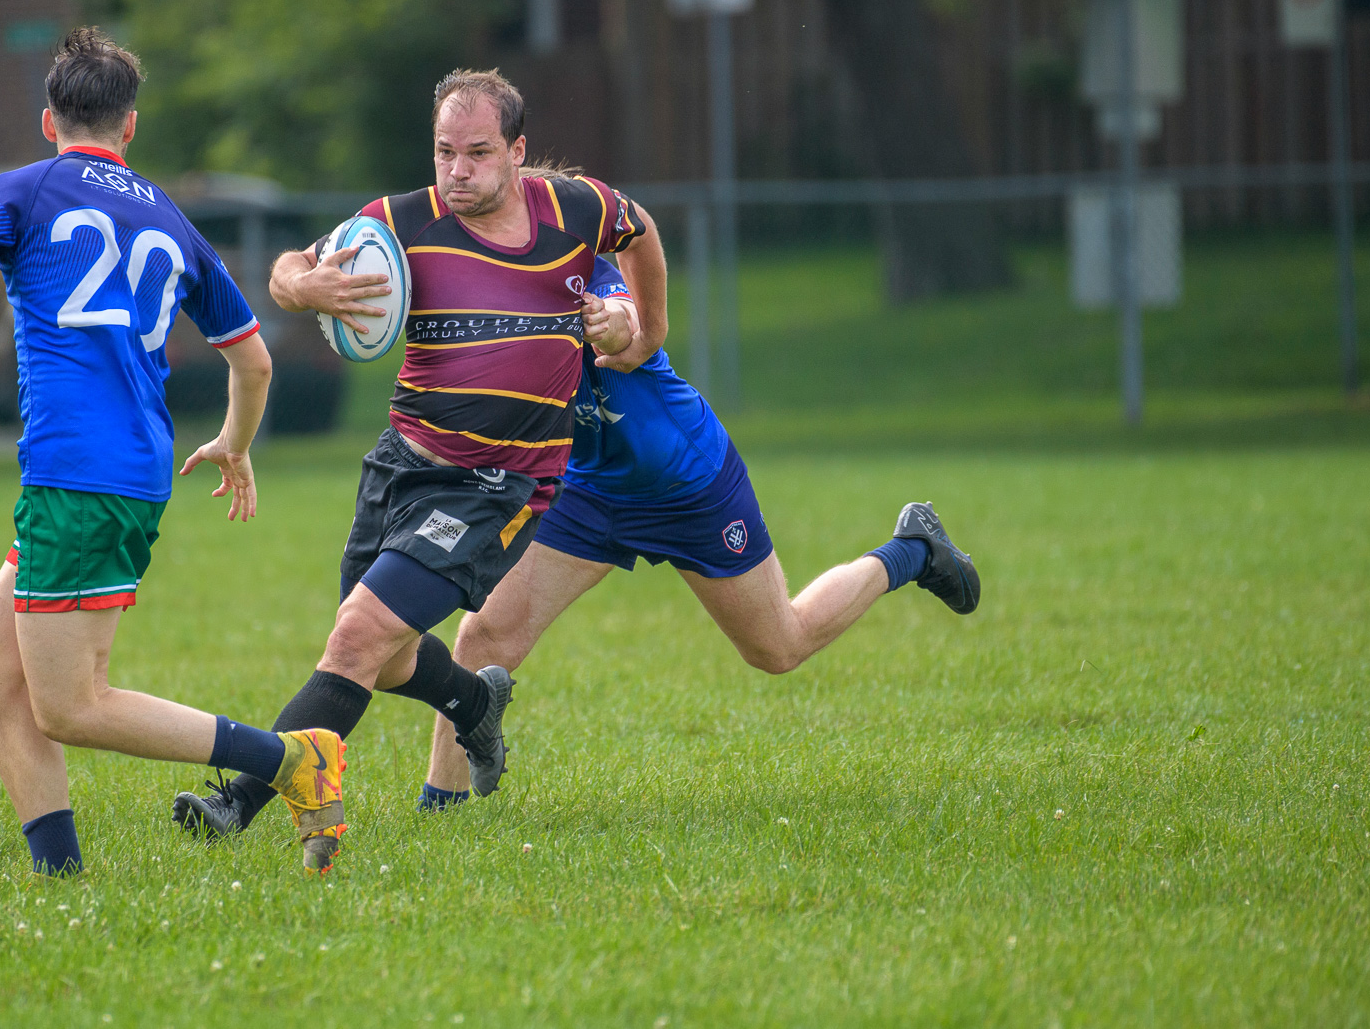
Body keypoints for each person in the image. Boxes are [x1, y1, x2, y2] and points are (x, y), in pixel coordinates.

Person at [0, 27, 346, 877]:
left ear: (50, 122)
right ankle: (59, 871)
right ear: (130, 128)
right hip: (131, 470)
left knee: (71, 705)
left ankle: (286, 760)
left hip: (73, 475)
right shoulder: (169, 215)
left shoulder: (21, 191)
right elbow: (254, 357)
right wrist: (235, 443)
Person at [170, 69, 665, 868]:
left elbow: (641, 233)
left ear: (517, 152)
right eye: (444, 153)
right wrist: (307, 286)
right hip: (401, 463)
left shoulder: (578, 209)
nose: (457, 171)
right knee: (386, 654)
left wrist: (640, 330)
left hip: (499, 485)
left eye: (476, 154)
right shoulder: (402, 222)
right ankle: (475, 699)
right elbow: (288, 266)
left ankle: (242, 798)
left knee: (359, 638)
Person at [416, 251, 981, 807]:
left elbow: (624, 321)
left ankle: (913, 549)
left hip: (686, 483)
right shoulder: (487, 292)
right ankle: (442, 809)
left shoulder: (587, 276)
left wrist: (615, 326)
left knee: (779, 647)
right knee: (484, 635)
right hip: (587, 488)